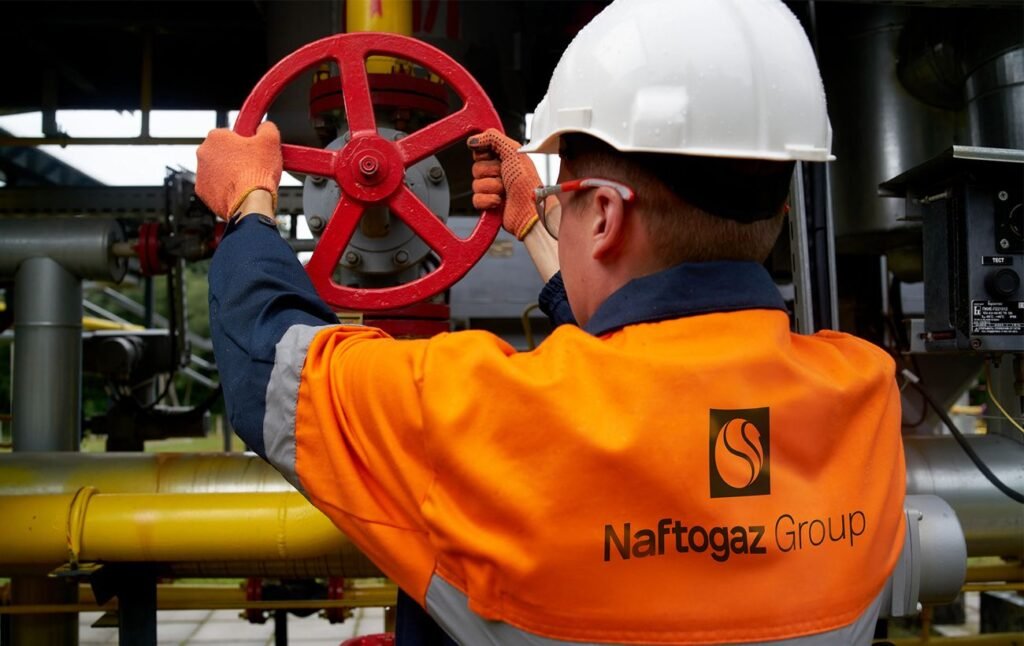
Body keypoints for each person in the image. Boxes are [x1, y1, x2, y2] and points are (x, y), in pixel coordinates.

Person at [197, 0, 905, 643]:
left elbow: (271, 371)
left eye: (566, 192)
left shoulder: (474, 415)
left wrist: (248, 203)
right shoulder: (865, 399)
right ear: (780, 216)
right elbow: (641, 369)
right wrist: (537, 227)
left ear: (604, 216)